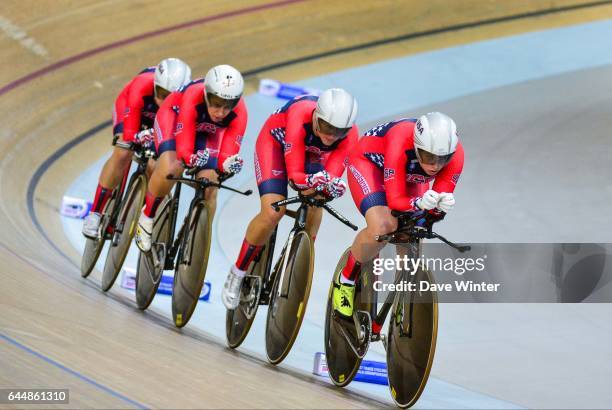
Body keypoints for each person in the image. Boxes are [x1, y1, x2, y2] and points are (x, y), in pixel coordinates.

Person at [221, 88, 359, 309]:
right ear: (316, 116)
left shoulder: (351, 135)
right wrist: (315, 181)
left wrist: (329, 185)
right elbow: (295, 175)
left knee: (316, 201)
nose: (331, 135)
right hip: (275, 146)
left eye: (339, 132)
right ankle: (237, 271)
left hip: (311, 155)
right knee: (273, 212)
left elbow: (330, 176)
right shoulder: (299, 114)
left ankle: (300, 254)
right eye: (326, 127)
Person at [334, 112, 465, 325]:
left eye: (442, 159)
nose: (435, 165)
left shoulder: (456, 155)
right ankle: (346, 279)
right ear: (416, 146)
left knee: (412, 236)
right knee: (384, 226)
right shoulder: (400, 138)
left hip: (409, 175)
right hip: (370, 165)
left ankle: (399, 305)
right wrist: (417, 204)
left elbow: (430, 213)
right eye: (429, 156)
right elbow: (395, 201)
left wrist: (438, 210)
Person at [134, 64, 247, 252]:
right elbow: (185, 148)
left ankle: (199, 236)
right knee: (173, 166)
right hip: (175, 119)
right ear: (206, 95)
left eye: (227, 107)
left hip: (204, 131)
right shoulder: (193, 97)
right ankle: (147, 217)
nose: (220, 113)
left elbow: (227, 152)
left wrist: (227, 164)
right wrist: (190, 159)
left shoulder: (240, 112)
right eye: (216, 104)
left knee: (211, 185)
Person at [81, 58, 191, 239]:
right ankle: (95, 213)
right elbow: (131, 129)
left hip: (162, 122)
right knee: (123, 151)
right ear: (154, 85)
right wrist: (134, 137)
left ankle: (134, 210)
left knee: (156, 166)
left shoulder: (185, 103)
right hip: (132, 110)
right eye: (161, 93)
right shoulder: (141, 85)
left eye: (169, 96)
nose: (164, 101)